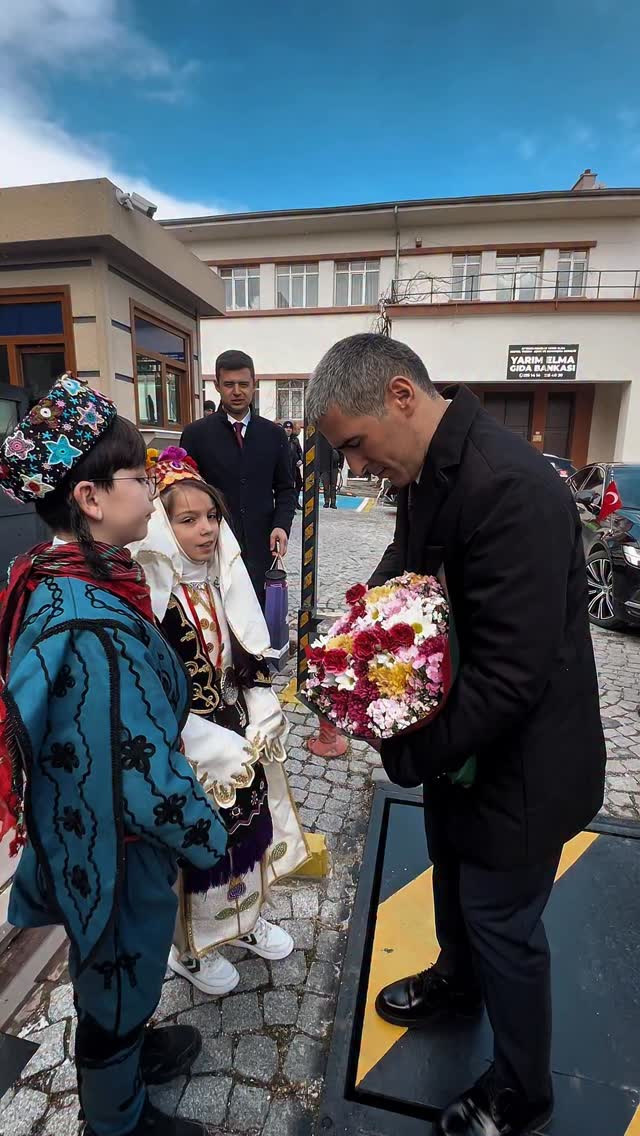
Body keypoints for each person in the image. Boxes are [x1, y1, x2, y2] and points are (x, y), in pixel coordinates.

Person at [306, 334, 606, 1136]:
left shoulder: (510, 486)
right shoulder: (432, 469)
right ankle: (457, 980)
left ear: (401, 396)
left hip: (523, 764)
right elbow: (405, 568)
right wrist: (351, 647)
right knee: (451, 873)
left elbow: (511, 676)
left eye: (355, 445)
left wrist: (407, 751)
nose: (357, 467)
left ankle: (523, 1091)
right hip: (461, 750)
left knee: (502, 922)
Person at [0, 376, 228, 1136]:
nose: (153, 487)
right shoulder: (92, 623)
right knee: (116, 971)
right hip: (115, 846)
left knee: (116, 964)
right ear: (91, 499)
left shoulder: (55, 573)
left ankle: (129, 1052)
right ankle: (116, 1118)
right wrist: (209, 831)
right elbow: (136, 768)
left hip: (85, 829)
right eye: (140, 475)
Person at [131, 447, 308, 996]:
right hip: (183, 746)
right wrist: (196, 735)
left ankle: (244, 921)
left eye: (211, 516)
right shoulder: (148, 598)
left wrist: (260, 699)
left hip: (233, 731)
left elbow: (245, 654)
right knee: (194, 846)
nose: (206, 529)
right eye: (188, 520)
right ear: (162, 527)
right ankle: (188, 948)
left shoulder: (220, 579)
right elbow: (148, 693)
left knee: (247, 830)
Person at [180, 350, 296, 605]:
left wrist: (281, 525)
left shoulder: (274, 435)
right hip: (214, 548)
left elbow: (286, 488)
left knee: (260, 618)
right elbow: (185, 493)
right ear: (217, 385)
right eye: (229, 384)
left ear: (254, 384)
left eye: (243, 384)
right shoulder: (196, 435)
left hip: (261, 548)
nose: (237, 391)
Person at [316, 429, 343, 509]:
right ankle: (326, 502)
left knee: (333, 486)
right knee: (326, 485)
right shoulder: (322, 440)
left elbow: (342, 454)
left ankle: (333, 502)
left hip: (334, 466)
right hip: (324, 466)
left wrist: (340, 466)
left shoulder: (337, 441)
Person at [283, 420, 303, 509]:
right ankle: (288, 505)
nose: (288, 429)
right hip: (284, 468)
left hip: (294, 467)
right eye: (286, 428)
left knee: (299, 484)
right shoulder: (280, 439)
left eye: (290, 428)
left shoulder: (295, 440)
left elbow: (300, 451)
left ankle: (295, 502)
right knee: (287, 486)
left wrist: (301, 460)